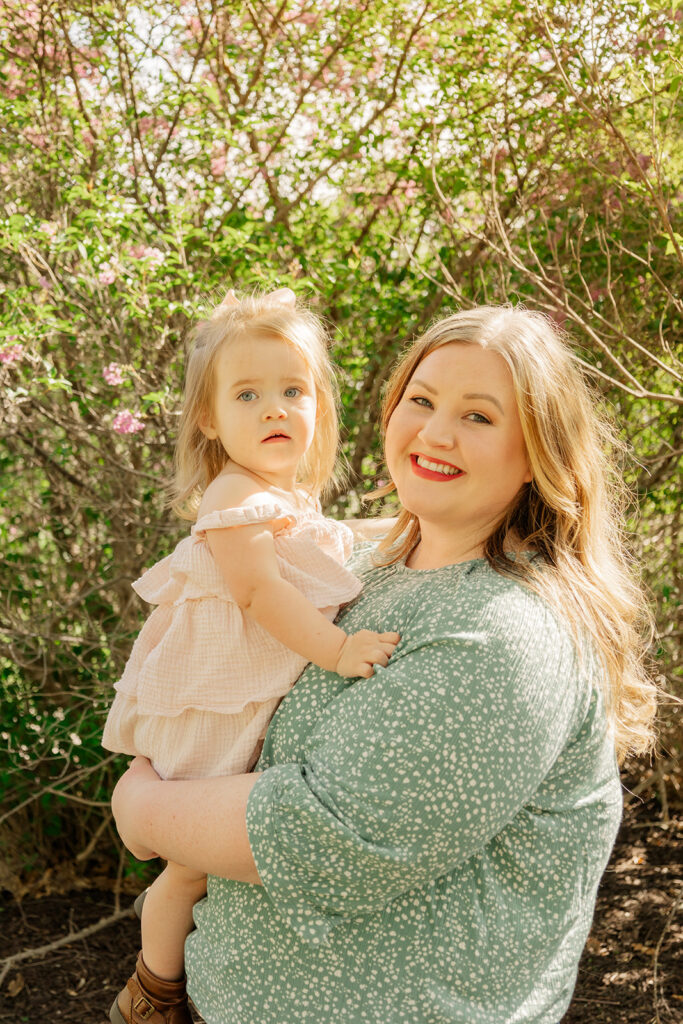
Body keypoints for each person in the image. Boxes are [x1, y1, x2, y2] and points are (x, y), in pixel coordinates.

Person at [111, 306, 657, 1024]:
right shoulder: (378, 568)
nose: (435, 433)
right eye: (421, 401)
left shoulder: (504, 632)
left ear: (536, 454)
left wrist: (143, 809)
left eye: (478, 416)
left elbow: (327, 837)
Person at [102, 287, 399, 1024]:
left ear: (318, 406)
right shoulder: (231, 497)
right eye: (247, 395)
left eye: (293, 391)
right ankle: (151, 992)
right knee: (188, 869)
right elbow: (261, 594)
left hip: (235, 698)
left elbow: (333, 541)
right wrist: (338, 651)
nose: (275, 410)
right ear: (209, 418)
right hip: (209, 709)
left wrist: (407, 524)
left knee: (206, 867)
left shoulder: (280, 494)